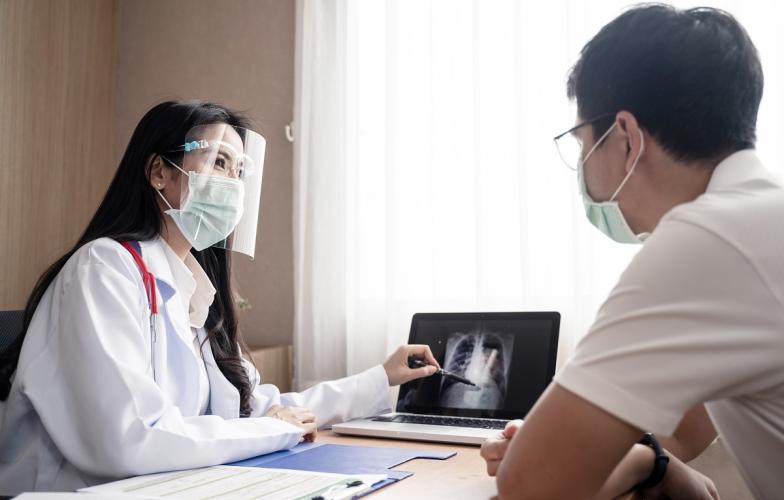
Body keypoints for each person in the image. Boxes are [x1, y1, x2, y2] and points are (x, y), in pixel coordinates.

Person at [0, 101, 440, 495]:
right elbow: (127, 438)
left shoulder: (193, 292)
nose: (233, 184)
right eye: (219, 162)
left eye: (239, 171)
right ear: (159, 172)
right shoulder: (104, 269)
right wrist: (271, 430)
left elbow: (261, 409)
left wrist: (381, 377)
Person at [480, 5, 783, 500]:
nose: (582, 167)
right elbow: (684, 430)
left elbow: (530, 487)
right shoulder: (756, 219)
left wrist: (545, 452)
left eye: (581, 142)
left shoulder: (705, 242)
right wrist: (655, 465)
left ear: (624, 137)